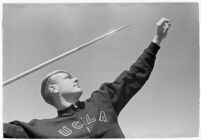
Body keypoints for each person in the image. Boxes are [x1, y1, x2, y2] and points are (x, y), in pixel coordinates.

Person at [3, 17, 171, 138]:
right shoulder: (39, 129)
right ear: (53, 88)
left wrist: (157, 41)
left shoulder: (102, 101)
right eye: (67, 77)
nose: (76, 78)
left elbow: (133, 76)